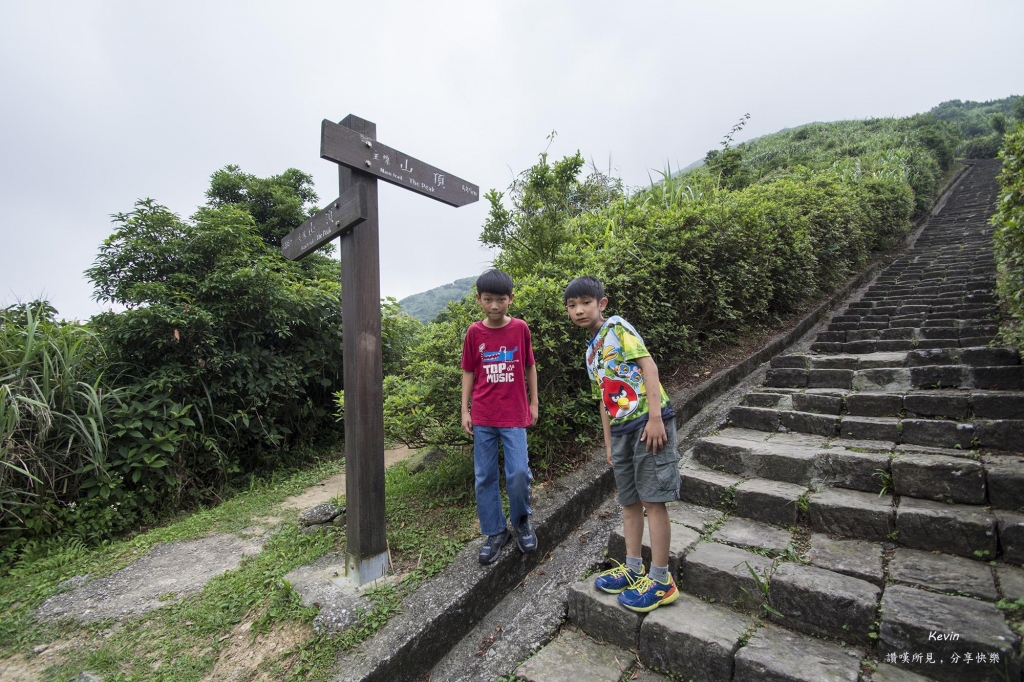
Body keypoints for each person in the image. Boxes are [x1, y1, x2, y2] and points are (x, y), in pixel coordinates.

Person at [564, 275, 680, 612]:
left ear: (601, 304)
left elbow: (649, 367)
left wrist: (656, 417)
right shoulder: (591, 352)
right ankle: (633, 569)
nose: (579, 310)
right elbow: (604, 399)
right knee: (629, 501)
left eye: (585, 303)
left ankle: (661, 580)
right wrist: (608, 441)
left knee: (653, 500)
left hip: (648, 423)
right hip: (622, 431)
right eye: (572, 306)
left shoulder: (617, 327)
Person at [461, 269, 540, 564]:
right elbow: (468, 371)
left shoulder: (520, 328)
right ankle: (496, 532)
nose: (494, 306)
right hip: (483, 415)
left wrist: (534, 403)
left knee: (518, 473)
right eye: (488, 299)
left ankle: (521, 522)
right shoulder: (474, 333)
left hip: (514, 414)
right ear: (479, 300)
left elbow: (530, 366)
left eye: (501, 299)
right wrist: (464, 410)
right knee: (484, 476)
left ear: (511, 299)